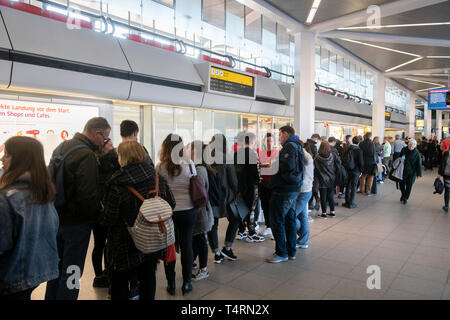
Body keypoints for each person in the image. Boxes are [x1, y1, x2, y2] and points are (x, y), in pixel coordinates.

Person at [45, 117, 110, 300]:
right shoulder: (86, 155)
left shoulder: (62, 147)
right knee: (72, 273)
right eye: (105, 138)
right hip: (77, 225)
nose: (104, 143)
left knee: (56, 270)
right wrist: (98, 216)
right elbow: (88, 196)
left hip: (56, 219)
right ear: (97, 133)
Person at [102, 141, 175, 300]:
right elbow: (172, 204)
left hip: (124, 242)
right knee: (148, 276)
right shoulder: (156, 177)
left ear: (121, 157)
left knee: (119, 281)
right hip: (151, 240)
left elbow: (109, 217)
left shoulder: (116, 183)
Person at [0, 137, 59, 300]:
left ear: (20, 160)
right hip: (34, 272)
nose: (2, 159)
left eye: (7, 154)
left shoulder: (7, 199)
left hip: (9, 275)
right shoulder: (44, 194)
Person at [97, 120, 147, 298]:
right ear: (136, 132)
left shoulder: (107, 161)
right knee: (139, 257)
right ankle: (134, 287)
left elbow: (108, 213)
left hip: (118, 225)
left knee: (115, 257)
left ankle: (112, 285)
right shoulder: (147, 165)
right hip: (141, 221)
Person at [156, 134, 199, 296]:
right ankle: (187, 283)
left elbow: (158, 191)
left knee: (170, 247)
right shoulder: (189, 165)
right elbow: (195, 186)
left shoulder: (160, 167)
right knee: (187, 246)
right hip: (188, 211)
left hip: (169, 213)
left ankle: (171, 283)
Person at [266, 126, 303, 263]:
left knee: (277, 220)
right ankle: (291, 251)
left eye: (280, 135)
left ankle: (281, 252)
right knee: (289, 220)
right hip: (293, 189)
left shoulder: (289, 147)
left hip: (284, 190)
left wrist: (275, 165)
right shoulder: (298, 145)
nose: (279, 138)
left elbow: (288, 168)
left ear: (286, 134)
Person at [205, 134, 240, 263]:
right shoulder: (227, 159)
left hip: (212, 196)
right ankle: (228, 247)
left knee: (213, 224)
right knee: (236, 219)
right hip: (227, 197)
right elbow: (233, 181)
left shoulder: (205, 160)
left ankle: (217, 253)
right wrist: (237, 193)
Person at [189, 141, 214, 281]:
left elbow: (198, 193)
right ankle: (192, 261)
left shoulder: (199, 170)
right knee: (196, 239)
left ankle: (203, 269)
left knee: (200, 239)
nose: (188, 151)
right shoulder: (199, 168)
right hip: (200, 211)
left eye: (190, 148)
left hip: (200, 212)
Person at [234, 132, 264, 243]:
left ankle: (241, 231)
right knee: (252, 209)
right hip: (251, 186)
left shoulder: (237, 153)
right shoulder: (253, 153)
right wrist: (259, 181)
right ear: (252, 141)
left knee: (242, 208)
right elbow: (256, 172)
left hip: (240, 185)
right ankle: (251, 233)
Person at [258, 133, 279, 238]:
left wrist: (266, 164)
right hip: (263, 182)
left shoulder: (276, 152)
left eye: (271, 141)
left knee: (272, 206)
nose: (269, 143)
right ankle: (268, 226)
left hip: (273, 183)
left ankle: (274, 227)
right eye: (267, 141)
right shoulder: (262, 152)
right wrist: (266, 164)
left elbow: (271, 165)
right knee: (264, 205)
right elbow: (261, 165)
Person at [295, 144, 313, 249]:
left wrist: (301, 151)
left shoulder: (306, 157)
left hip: (304, 191)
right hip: (304, 190)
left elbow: (308, 161)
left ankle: (302, 237)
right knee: (302, 216)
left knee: (291, 215)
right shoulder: (305, 156)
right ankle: (303, 240)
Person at [314, 141, 339, 218]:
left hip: (321, 179)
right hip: (331, 178)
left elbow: (315, 169)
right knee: (330, 196)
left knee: (323, 196)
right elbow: (337, 165)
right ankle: (332, 212)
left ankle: (324, 213)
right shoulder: (332, 156)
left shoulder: (317, 157)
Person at [342, 136, 364, 209]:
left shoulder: (347, 149)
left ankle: (346, 201)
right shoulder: (359, 150)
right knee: (353, 186)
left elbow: (343, 159)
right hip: (356, 171)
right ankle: (351, 202)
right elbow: (361, 162)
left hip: (348, 170)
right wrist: (361, 171)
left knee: (348, 185)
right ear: (359, 142)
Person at [399, 139, 422, 205]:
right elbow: (401, 156)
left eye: (412, 146)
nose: (411, 148)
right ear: (408, 145)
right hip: (403, 170)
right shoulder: (404, 149)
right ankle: (403, 195)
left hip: (412, 172)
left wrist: (419, 173)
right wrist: (401, 158)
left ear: (415, 146)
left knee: (409, 185)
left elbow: (419, 163)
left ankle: (405, 198)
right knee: (402, 184)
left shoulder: (417, 153)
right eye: (410, 146)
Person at [359, 132, 377, 197]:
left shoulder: (361, 143)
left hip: (363, 162)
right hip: (370, 162)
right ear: (370, 136)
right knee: (370, 176)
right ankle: (368, 191)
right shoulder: (372, 143)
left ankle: (361, 189)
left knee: (363, 176)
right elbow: (373, 154)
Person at [306, 134, 320, 211]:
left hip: (309, 169)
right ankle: (316, 201)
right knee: (314, 187)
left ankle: (311, 203)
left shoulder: (306, 144)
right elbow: (315, 156)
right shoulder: (313, 146)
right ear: (315, 138)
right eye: (317, 139)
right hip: (313, 168)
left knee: (312, 186)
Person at [438, 146, 450, 213]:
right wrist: (439, 173)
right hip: (446, 174)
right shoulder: (446, 153)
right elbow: (442, 163)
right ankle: (446, 206)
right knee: (447, 189)